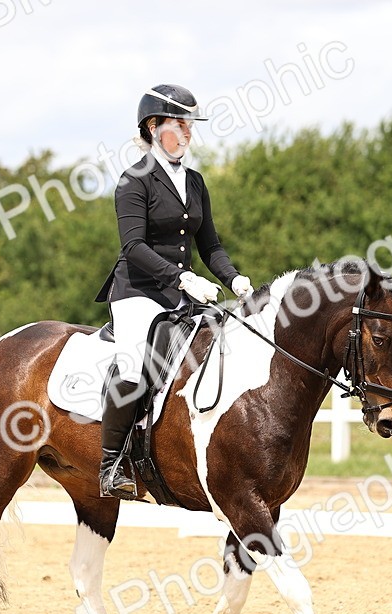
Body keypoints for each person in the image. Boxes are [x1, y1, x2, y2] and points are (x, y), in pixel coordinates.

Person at [93, 84, 254, 499]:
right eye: (178, 124)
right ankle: (112, 465)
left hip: (183, 291)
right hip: (137, 291)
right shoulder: (134, 180)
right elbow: (133, 246)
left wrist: (233, 278)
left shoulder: (196, 182)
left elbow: (210, 246)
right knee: (133, 364)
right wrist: (182, 278)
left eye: (189, 125)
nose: (186, 132)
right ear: (153, 127)